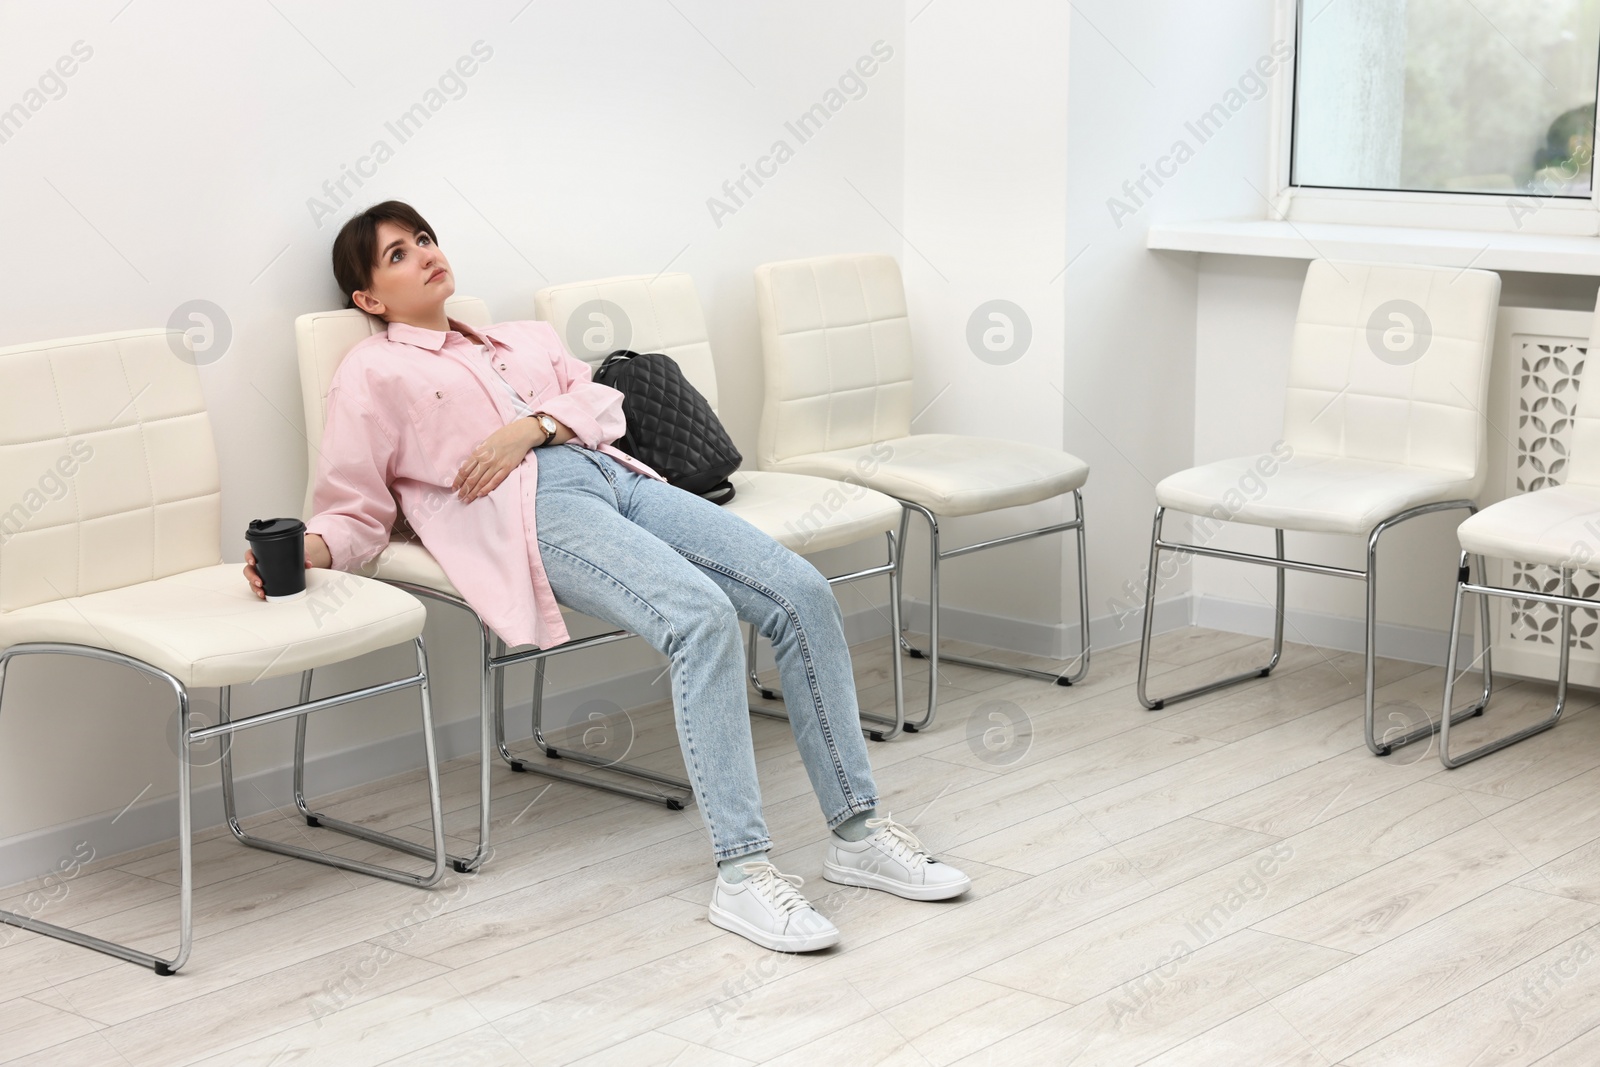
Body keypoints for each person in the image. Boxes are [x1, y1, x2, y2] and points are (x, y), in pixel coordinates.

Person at [242, 201, 970, 952]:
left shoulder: (521, 338)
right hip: (534, 506)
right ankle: (745, 874)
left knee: (801, 591)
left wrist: (534, 425)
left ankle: (859, 833)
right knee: (701, 618)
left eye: (424, 238)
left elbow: (604, 403)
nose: (424, 254)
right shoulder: (372, 370)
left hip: (621, 476)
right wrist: (307, 553)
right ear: (368, 299)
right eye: (397, 254)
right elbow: (355, 506)